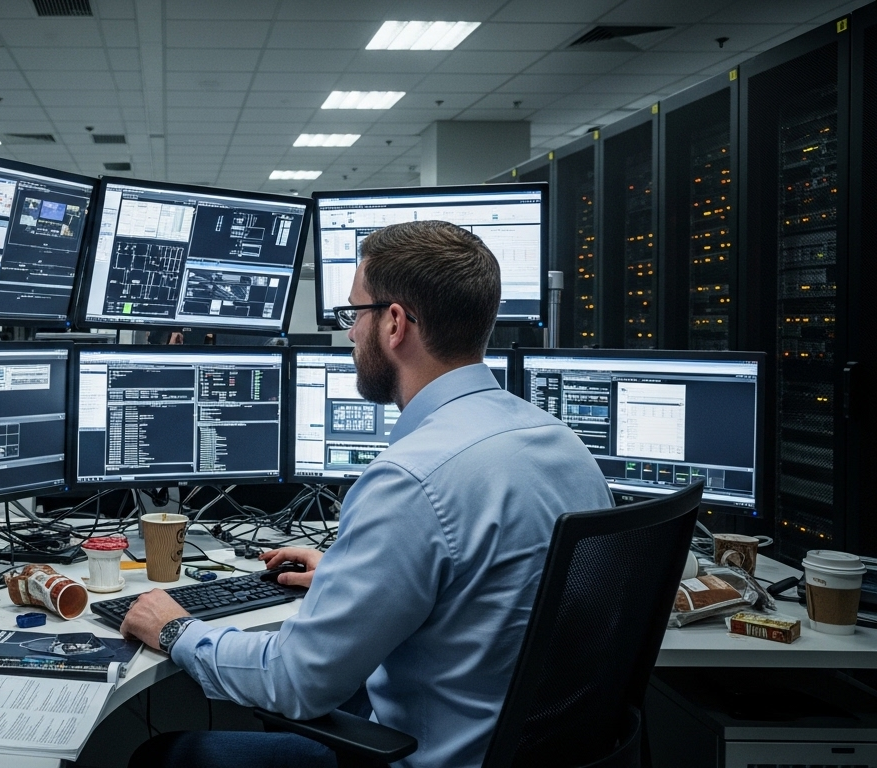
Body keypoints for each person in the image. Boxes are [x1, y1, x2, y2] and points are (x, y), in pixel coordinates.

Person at [120, 220, 613, 768]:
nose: (351, 333)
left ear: (394, 323)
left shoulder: (410, 479)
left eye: (355, 313)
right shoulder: (561, 443)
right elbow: (488, 590)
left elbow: (294, 681)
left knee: (167, 757)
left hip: (426, 760)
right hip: (538, 755)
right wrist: (350, 574)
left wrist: (177, 629)